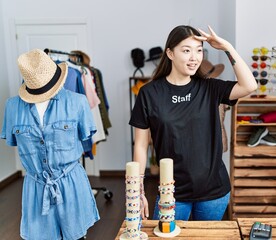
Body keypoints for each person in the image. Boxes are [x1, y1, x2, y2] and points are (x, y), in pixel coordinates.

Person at [129, 25, 257, 221]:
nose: (194, 57)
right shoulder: (149, 93)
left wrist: (227, 48)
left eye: (199, 51)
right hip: (171, 193)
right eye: (186, 50)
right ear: (170, 53)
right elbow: (140, 144)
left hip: (213, 193)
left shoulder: (209, 88)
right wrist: (137, 191)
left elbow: (249, 85)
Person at [1, 49, 99, 239]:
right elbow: (14, 141)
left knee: (76, 237)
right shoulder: (12, 107)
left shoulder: (78, 102)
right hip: (36, 187)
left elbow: (86, 135)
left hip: (71, 184)